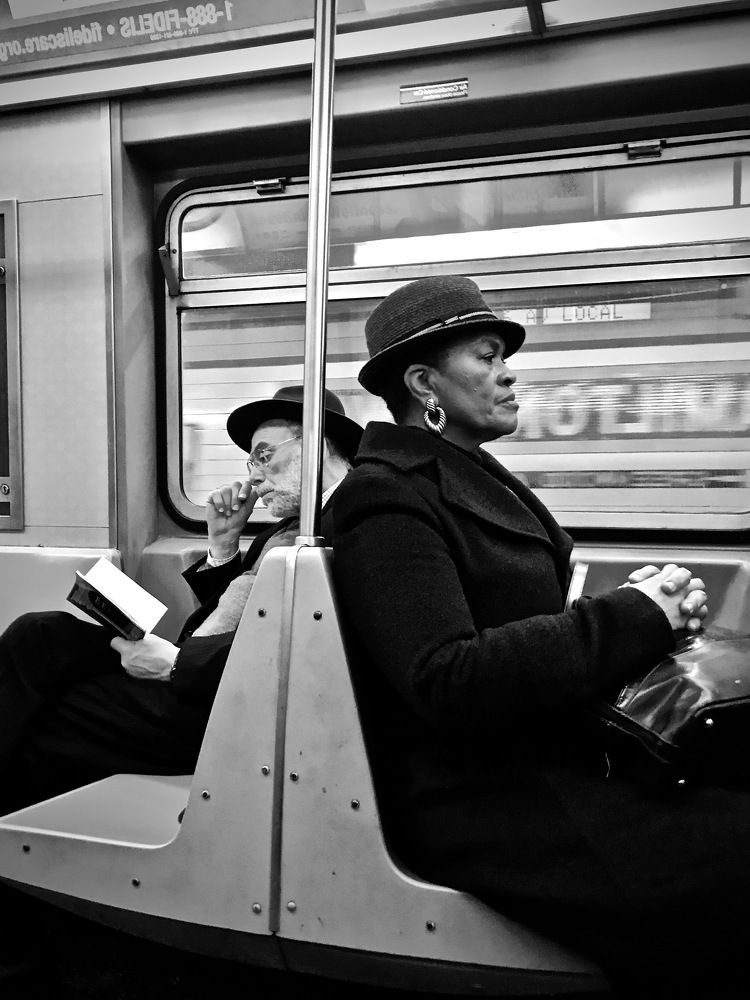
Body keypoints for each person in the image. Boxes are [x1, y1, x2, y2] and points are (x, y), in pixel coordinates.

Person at [331, 276, 750, 994]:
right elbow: (445, 677)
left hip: (549, 749)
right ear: (425, 382)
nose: (509, 372)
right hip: (483, 791)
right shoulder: (386, 498)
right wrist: (629, 617)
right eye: (488, 357)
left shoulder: (465, 475)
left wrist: (641, 606)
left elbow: (530, 618)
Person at [0, 385, 361, 812]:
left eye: (264, 456)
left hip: (222, 702)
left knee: (43, 716)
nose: (253, 476)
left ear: (315, 445)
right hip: (200, 667)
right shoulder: (286, 527)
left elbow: (295, 644)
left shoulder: (347, 523)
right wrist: (223, 548)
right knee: (42, 632)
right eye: (251, 462)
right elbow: (239, 611)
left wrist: (175, 666)